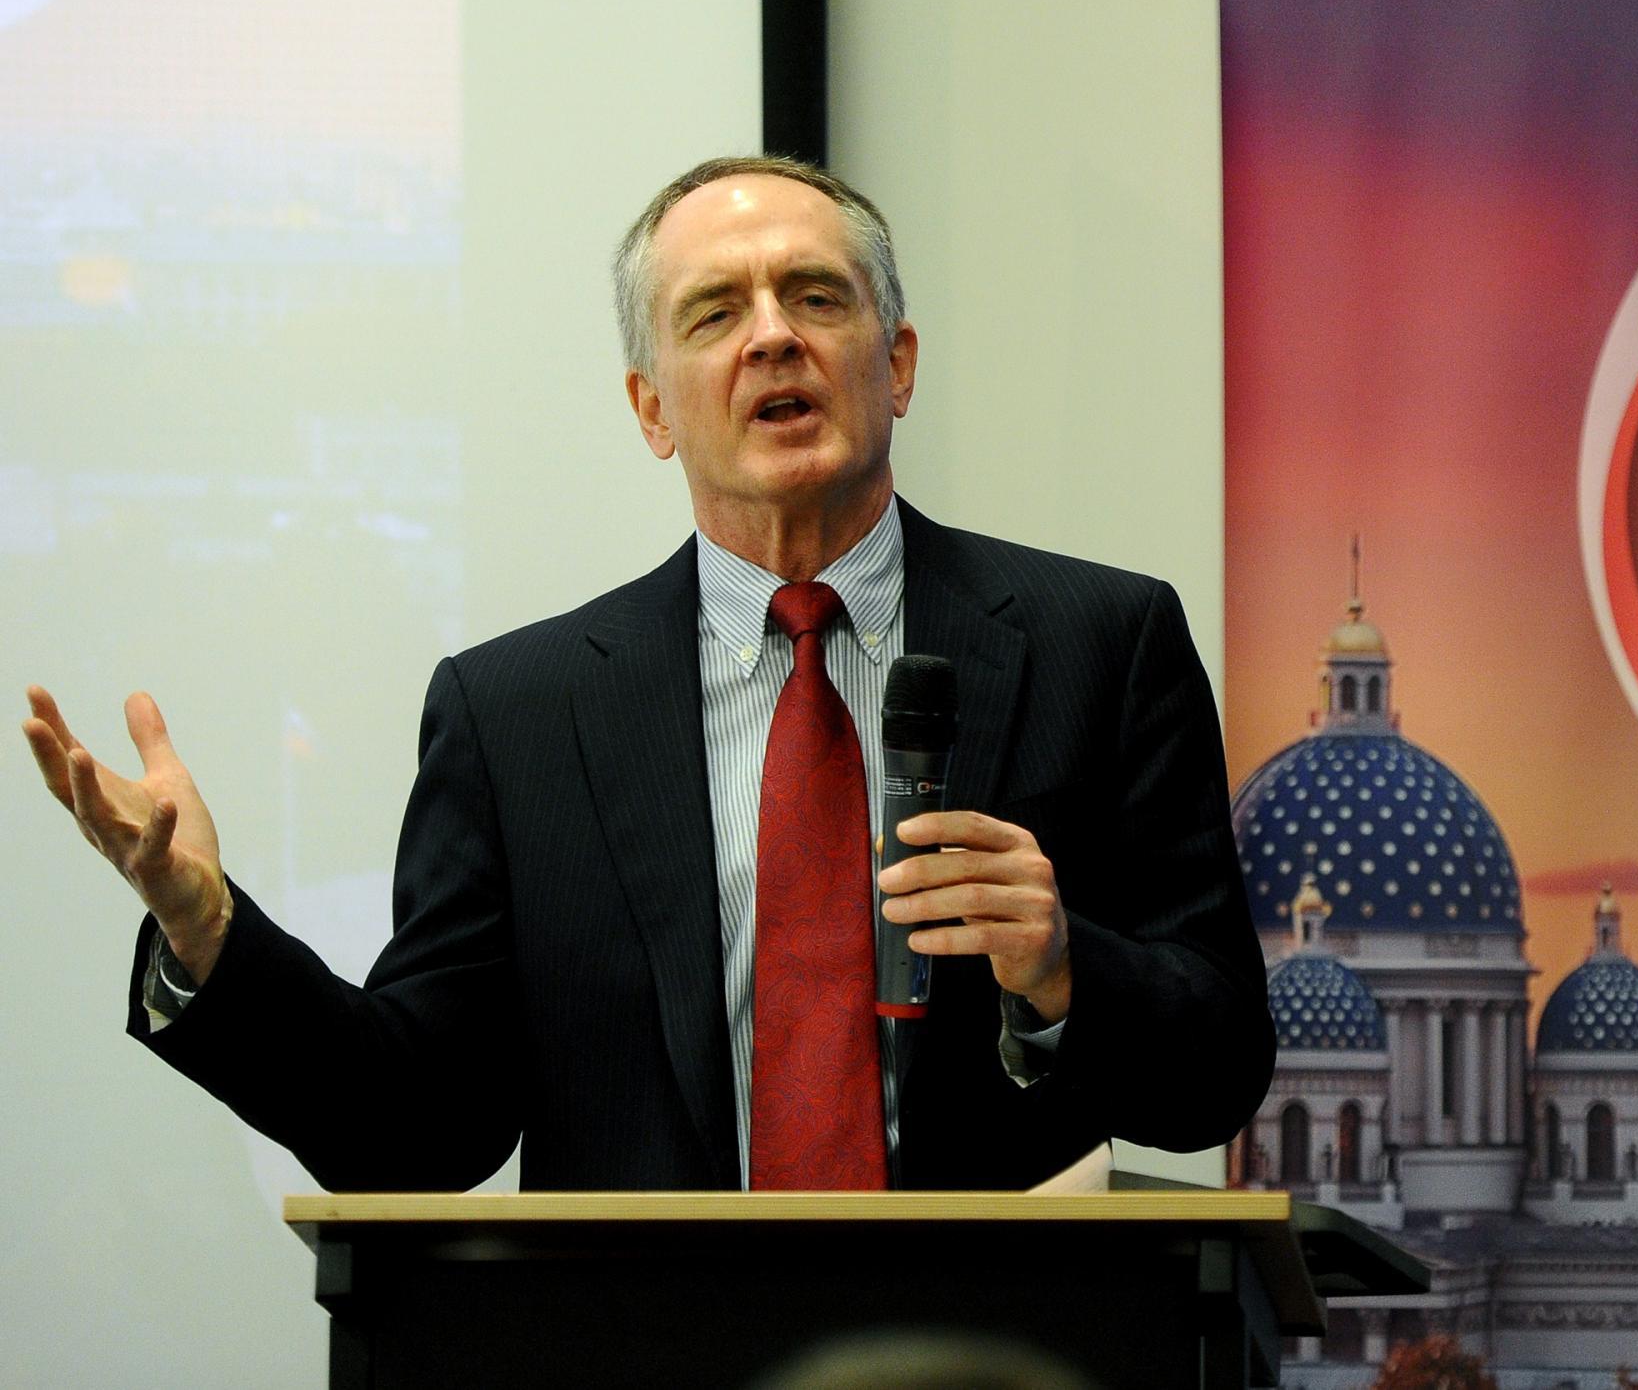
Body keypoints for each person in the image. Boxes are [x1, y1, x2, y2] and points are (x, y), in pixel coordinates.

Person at [21, 155, 1274, 1191]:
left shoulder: (1098, 645)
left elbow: (1219, 1069)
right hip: (639, 1346)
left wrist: (1062, 966)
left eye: (816, 298)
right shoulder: (518, 714)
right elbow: (414, 1128)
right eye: (716, 312)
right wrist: (208, 930)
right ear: (651, 406)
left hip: (1002, 1355)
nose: (773, 334)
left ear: (895, 363)